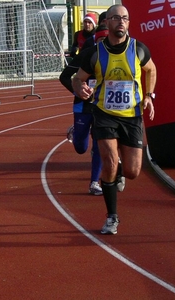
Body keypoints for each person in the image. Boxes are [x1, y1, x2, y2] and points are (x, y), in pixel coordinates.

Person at [72, 4, 157, 235]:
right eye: (116, 18)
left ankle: (121, 172)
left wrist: (149, 95)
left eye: (125, 18)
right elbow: (77, 79)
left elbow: (151, 69)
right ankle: (112, 217)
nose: (121, 22)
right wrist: (81, 89)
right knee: (108, 163)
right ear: (107, 23)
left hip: (132, 116)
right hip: (104, 114)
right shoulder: (94, 53)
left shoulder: (139, 49)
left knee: (132, 171)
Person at [60, 25, 119, 196]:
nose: (104, 44)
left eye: (105, 40)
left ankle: (94, 182)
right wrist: (77, 91)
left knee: (100, 145)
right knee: (80, 147)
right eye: (100, 40)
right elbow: (63, 77)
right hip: (83, 106)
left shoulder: (116, 56)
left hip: (103, 107)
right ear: (96, 40)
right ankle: (76, 130)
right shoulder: (86, 55)